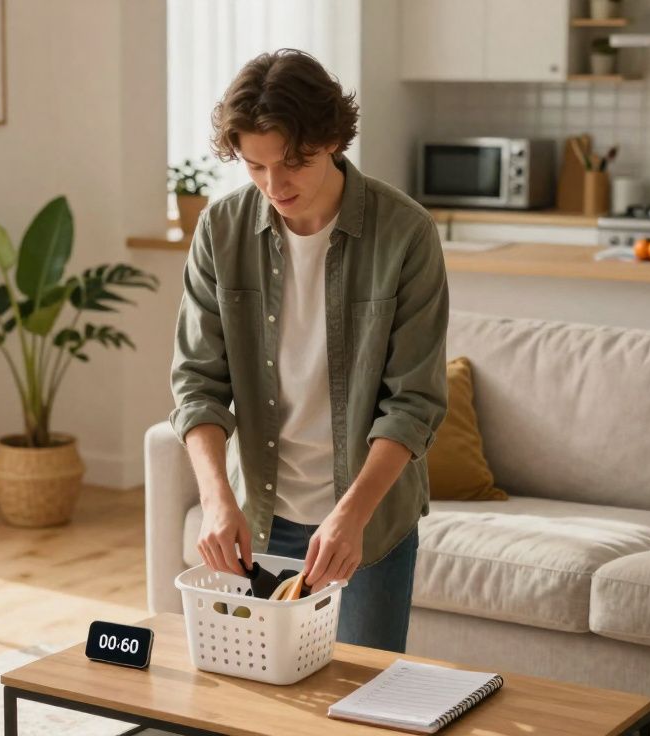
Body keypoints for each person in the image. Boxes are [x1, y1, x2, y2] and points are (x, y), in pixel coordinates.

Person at [168, 49, 449, 653]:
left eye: (292, 163)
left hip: (367, 525)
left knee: (360, 703)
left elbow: (415, 402)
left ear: (332, 138)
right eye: (255, 166)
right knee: (251, 703)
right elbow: (197, 384)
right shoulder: (220, 231)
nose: (275, 185)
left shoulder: (406, 234)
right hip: (257, 517)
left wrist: (351, 517)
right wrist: (217, 500)